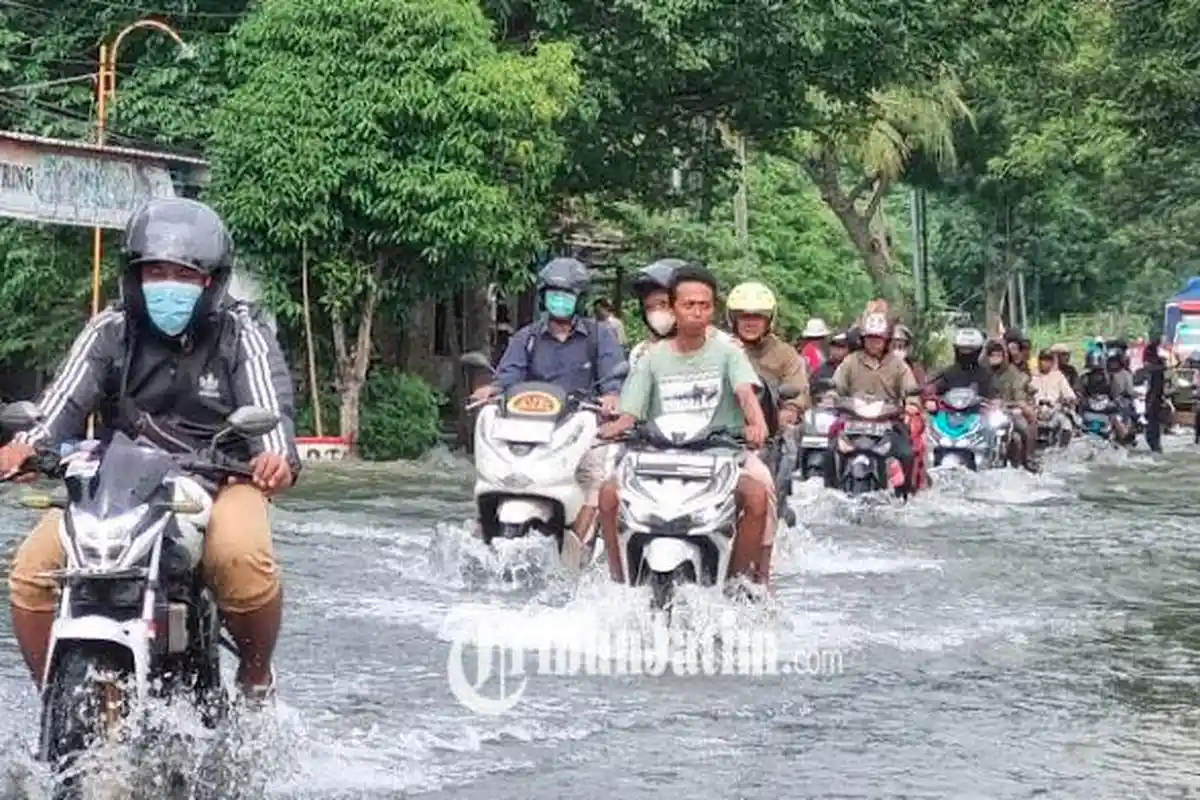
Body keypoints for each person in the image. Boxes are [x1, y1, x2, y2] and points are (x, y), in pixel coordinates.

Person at [2, 197, 299, 701]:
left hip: (221, 477)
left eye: (184, 274)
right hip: (118, 481)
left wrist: (273, 459)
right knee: (31, 574)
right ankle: (55, 701)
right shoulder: (110, 329)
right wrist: (25, 447)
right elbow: (61, 404)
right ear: (134, 276)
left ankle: (254, 679)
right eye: (155, 272)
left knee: (242, 559)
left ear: (212, 281)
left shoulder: (242, 332)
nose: (168, 285)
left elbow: (271, 415)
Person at [597, 265, 775, 585]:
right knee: (609, 492)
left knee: (759, 493)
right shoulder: (651, 357)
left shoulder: (729, 353)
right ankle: (619, 580)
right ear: (673, 307)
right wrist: (613, 428)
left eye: (704, 305)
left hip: (720, 456)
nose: (696, 312)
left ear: (713, 309)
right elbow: (630, 412)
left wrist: (757, 425)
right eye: (689, 304)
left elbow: (745, 393)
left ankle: (745, 582)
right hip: (657, 457)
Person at [470, 257, 624, 541]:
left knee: (595, 478)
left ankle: (579, 544)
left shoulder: (600, 337)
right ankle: (483, 531)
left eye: (567, 295)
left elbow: (613, 378)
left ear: (580, 299)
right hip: (532, 430)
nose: (559, 301)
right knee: (498, 474)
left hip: (580, 430)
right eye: (554, 295)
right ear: (543, 297)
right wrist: (493, 389)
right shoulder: (527, 338)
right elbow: (509, 375)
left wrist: (612, 396)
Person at [829, 311, 921, 493]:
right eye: (870, 339)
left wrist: (912, 403)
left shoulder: (898, 365)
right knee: (831, 450)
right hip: (853, 420)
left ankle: (905, 495)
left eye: (878, 339)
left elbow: (911, 389)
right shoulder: (850, 362)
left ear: (886, 341)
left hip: (889, 422)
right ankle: (830, 490)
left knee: (906, 454)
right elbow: (836, 385)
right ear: (862, 340)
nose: (873, 343)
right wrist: (830, 396)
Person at [727, 281, 810, 427]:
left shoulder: (785, 353)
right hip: (727, 427)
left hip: (771, 426)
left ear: (769, 320)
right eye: (744, 316)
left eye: (757, 317)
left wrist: (790, 410)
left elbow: (797, 388)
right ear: (734, 320)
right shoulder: (723, 348)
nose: (750, 323)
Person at [627, 258, 735, 369]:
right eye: (649, 307)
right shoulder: (640, 355)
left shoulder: (724, 348)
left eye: (663, 304)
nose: (656, 313)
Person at [985, 339, 1038, 469]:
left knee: (1023, 428)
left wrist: (1007, 404)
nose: (995, 358)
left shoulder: (1012, 372)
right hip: (984, 411)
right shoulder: (982, 372)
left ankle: (1028, 458)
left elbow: (1019, 395)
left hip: (1008, 411)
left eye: (998, 355)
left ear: (1004, 356)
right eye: (992, 355)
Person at [924, 328, 996, 404]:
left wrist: (994, 402)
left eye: (970, 349)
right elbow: (936, 389)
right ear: (956, 350)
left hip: (978, 410)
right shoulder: (948, 372)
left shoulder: (985, 375)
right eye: (962, 349)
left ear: (978, 351)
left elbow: (992, 397)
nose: (966, 353)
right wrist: (932, 394)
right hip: (949, 410)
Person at [1139, 338, 1166, 453]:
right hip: (1154, 401)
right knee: (1153, 426)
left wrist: (1149, 404)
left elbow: (1155, 390)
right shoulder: (1156, 372)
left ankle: (1156, 447)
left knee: (1152, 426)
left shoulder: (1155, 373)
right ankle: (1156, 447)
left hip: (1154, 402)